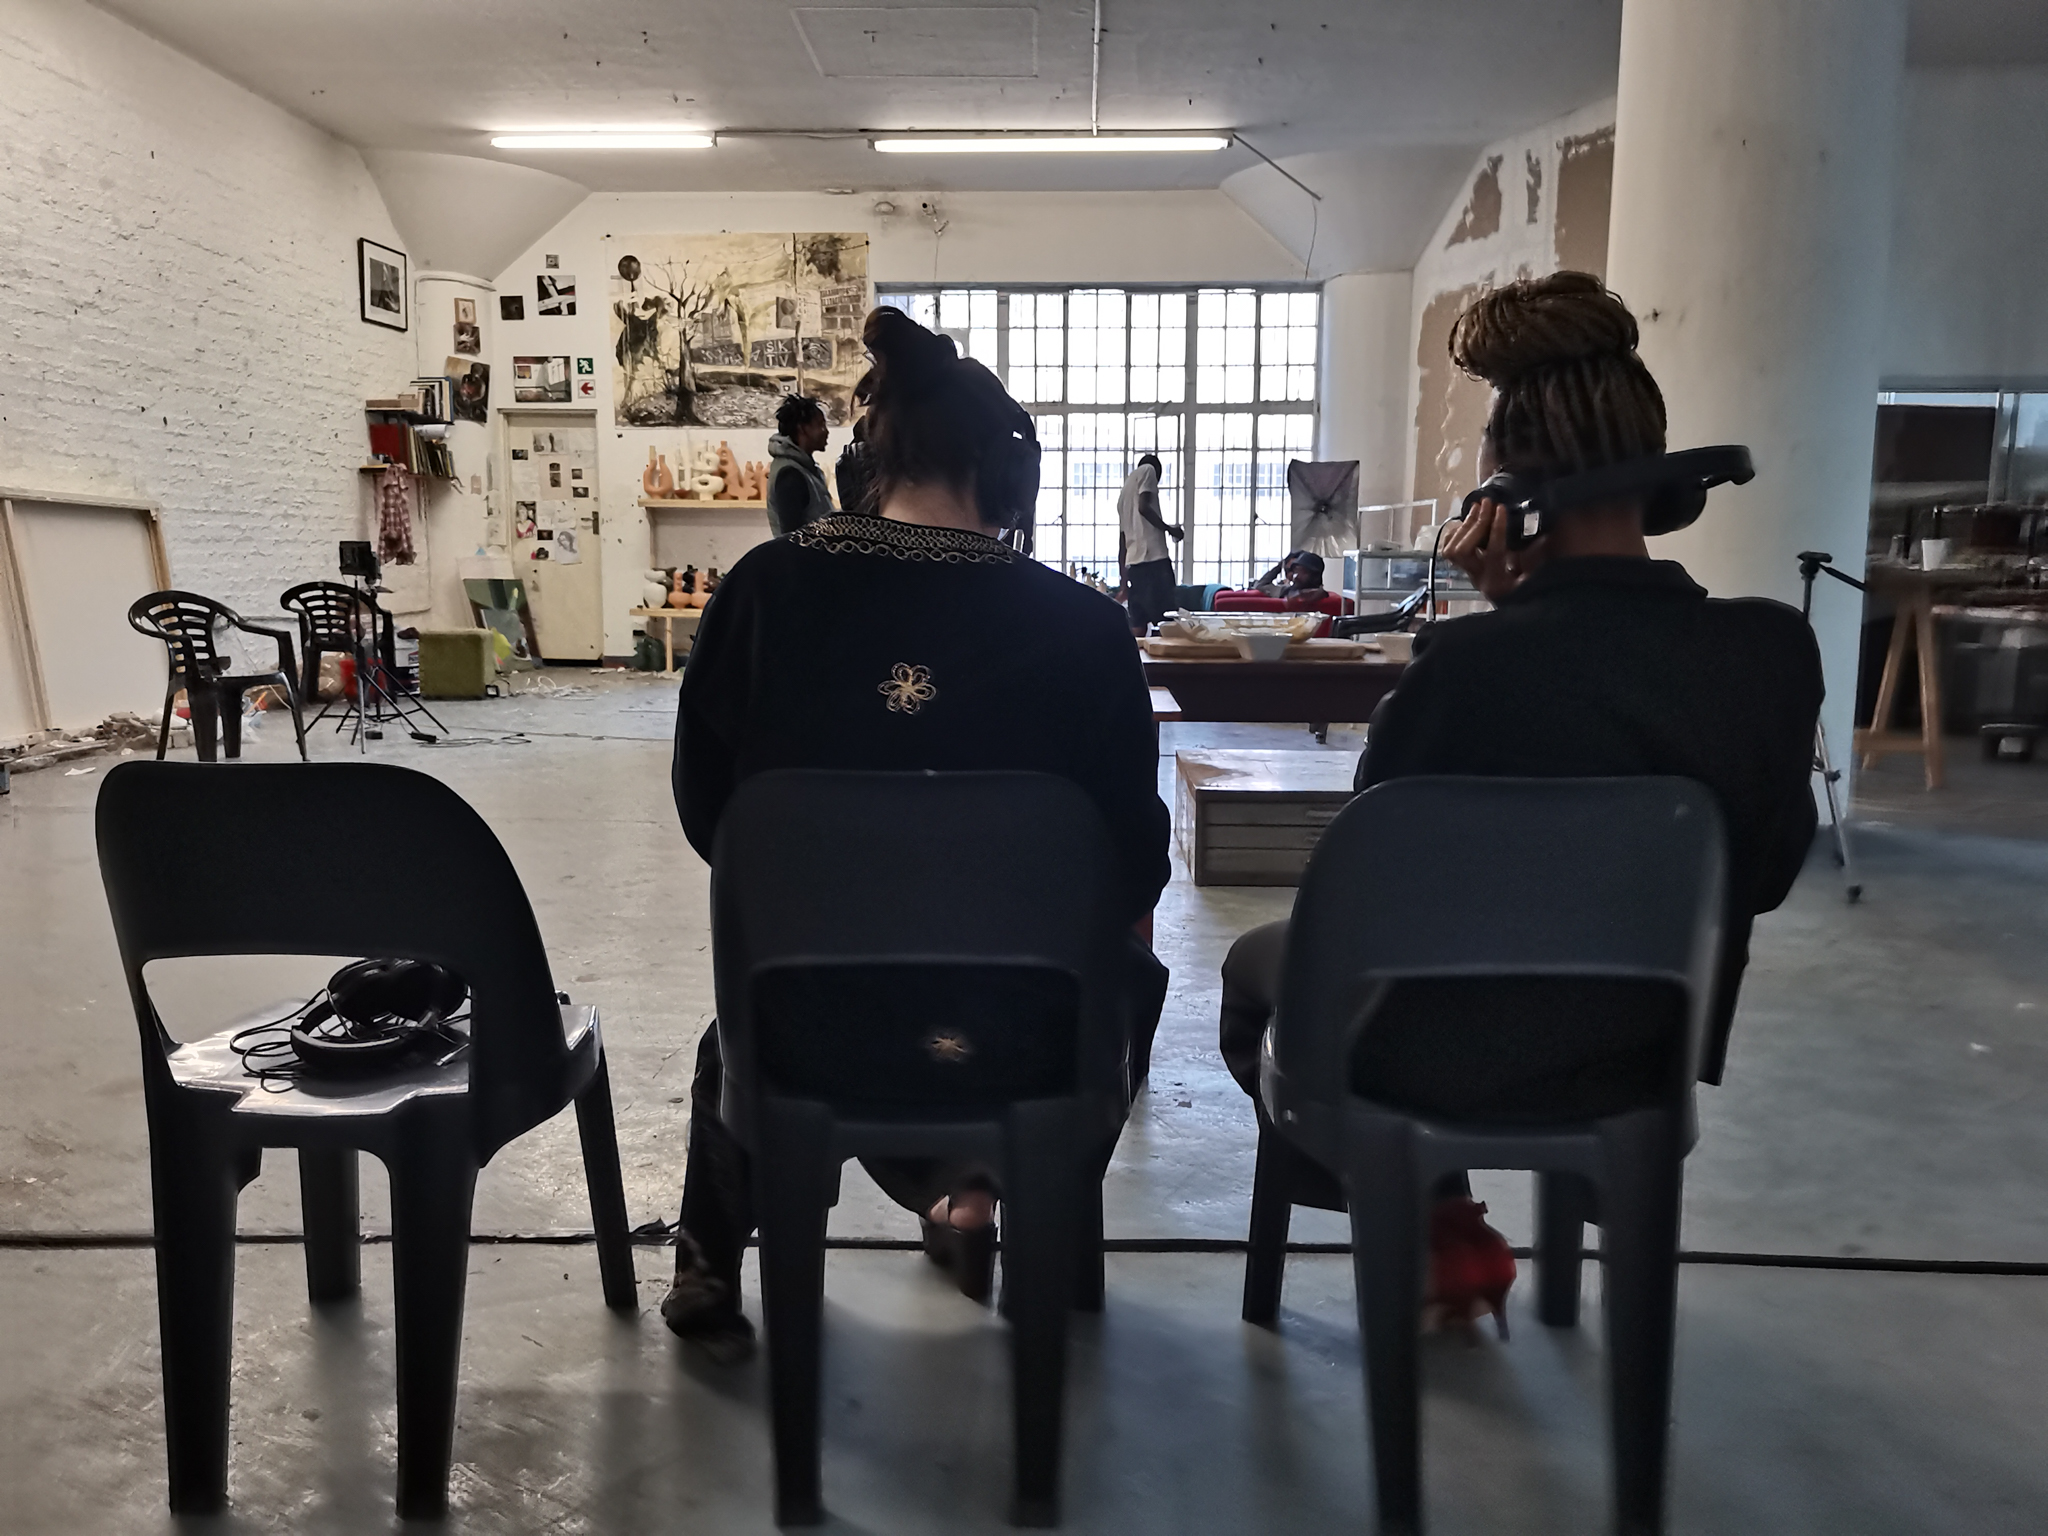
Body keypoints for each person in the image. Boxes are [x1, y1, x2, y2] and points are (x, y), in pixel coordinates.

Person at [1217, 271, 1823, 1299]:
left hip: (1432, 1052)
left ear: (1503, 498)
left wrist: (1500, 624)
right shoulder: (1769, 651)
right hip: (1638, 1052)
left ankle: (1428, 1212)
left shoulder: (1466, 668)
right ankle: (1479, 1214)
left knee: (1253, 969)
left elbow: (1368, 885)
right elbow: (1760, 876)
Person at [665, 305, 1172, 1360]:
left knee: (743, 1017)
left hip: (813, 1018)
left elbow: (711, 812)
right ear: (1008, 474)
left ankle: (709, 1263)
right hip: (1027, 1035)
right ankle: (987, 1194)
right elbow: (1134, 857)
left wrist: (836, 891)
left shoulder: (762, 592)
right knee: (1124, 974)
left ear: (868, 462)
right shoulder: (1084, 627)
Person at [1116, 452, 1183, 634]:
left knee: (1138, 627)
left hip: (1134, 567)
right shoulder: (1148, 470)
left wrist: (1124, 584)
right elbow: (1144, 507)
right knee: (1167, 625)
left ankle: (1137, 655)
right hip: (1154, 562)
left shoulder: (1124, 494)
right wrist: (1170, 529)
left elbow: (1123, 542)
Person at [765, 394, 835, 536]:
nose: (826, 432)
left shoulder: (805, 468)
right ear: (802, 429)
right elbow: (793, 536)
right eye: (820, 425)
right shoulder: (790, 474)